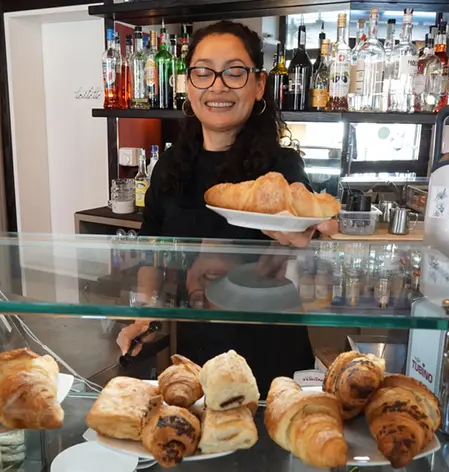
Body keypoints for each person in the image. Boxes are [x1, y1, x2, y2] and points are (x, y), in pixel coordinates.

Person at [116, 21, 337, 394]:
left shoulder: (281, 170)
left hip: (270, 356)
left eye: (234, 72)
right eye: (203, 72)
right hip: (195, 356)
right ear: (188, 84)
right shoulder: (171, 166)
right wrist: (145, 315)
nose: (217, 85)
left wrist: (308, 237)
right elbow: (151, 247)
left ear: (259, 84)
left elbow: (313, 241)